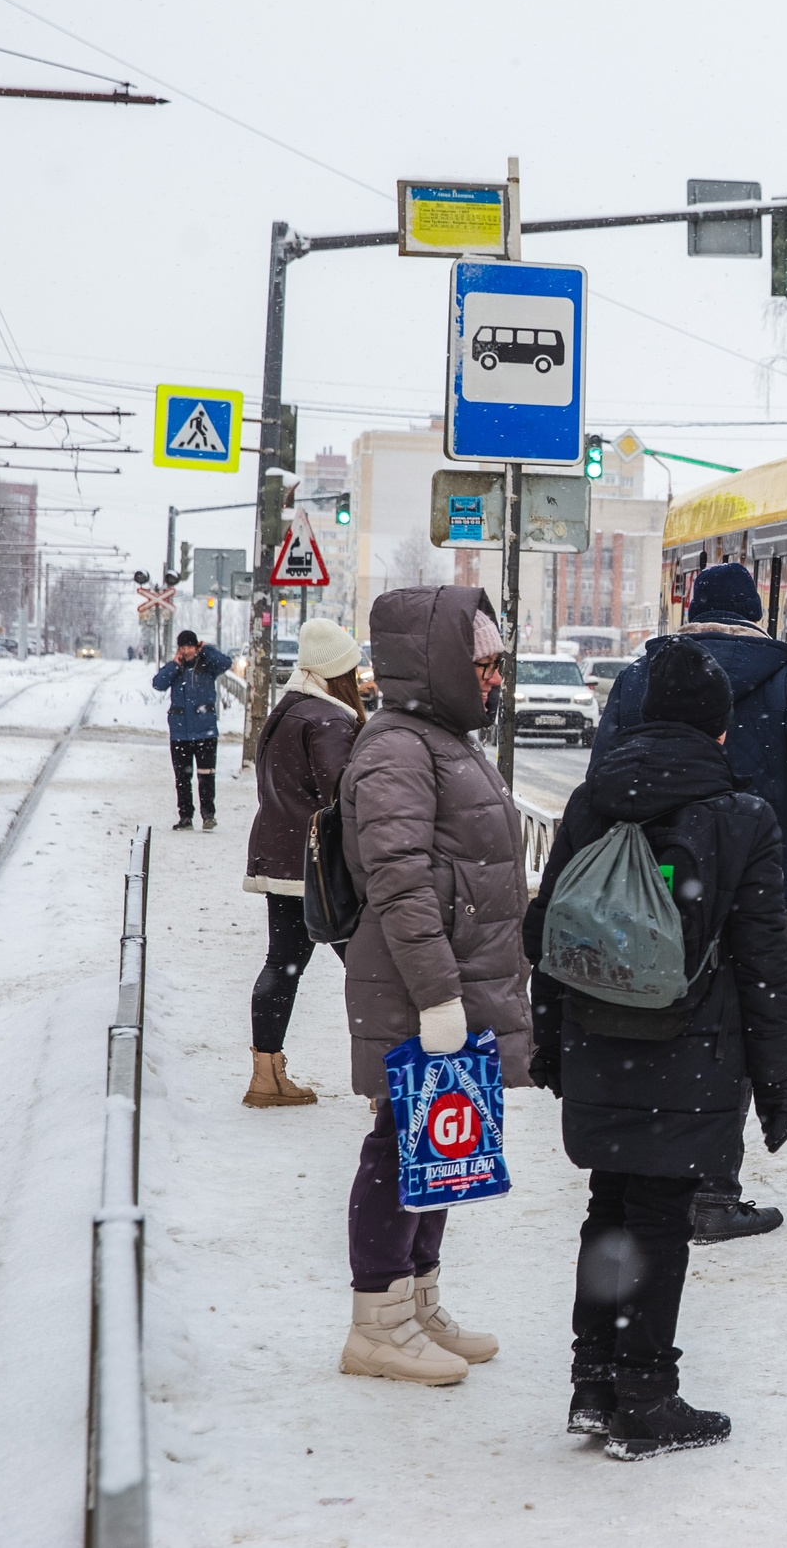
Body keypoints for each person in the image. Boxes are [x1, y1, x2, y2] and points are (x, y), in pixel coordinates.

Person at [525, 646, 787, 1459]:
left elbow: (550, 931)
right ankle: (646, 1395)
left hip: (598, 1034)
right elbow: (762, 966)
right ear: (720, 727)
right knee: (660, 1216)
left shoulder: (591, 800)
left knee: (610, 1205)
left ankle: (593, 1383)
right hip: (692, 1045)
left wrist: (549, 1042)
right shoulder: (742, 818)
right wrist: (774, 1084)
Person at [593, 562, 787, 1244]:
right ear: (755, 612)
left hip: (649, 881)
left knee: (648, 1006)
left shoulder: (641, 676)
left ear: (692, 608)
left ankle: (644, 1167)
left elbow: (602, 774)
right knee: (735, 1019)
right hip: (754, 874)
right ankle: (711, 1186)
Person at [335, 587, 531, 1387]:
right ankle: (375, 1320)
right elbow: (400, 880)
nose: (493, 679)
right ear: (440, 661)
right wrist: (440, 994)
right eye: (481, 663)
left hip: (447, 985)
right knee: (399, 1142)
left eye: (494, 664)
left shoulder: (439, 738)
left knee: (436, 1143)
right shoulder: (396, 748)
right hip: (418, 989)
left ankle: (417, 1300)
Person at [239, 619, 365, 1108]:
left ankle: (266, 1076)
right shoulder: (330, 720)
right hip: (323, 867)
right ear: (339, 672)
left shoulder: (287, 711)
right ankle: (388, 1084)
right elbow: (345, 797)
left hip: (284, 855)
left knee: (282, 963)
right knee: (371, 970)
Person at [152, 630, 234, 831]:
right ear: (179, 649)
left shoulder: (207, 665)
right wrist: (174, 665)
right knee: (182, 778)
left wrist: (205, 650)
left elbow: (226, 663)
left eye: (190, 646)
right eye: (183, 647)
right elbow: (158, 683)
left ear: (196, 646)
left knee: (206, 775)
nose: (187, 651)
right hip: (180, 733)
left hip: (205, 731)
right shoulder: (176, 669)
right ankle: (185, 817)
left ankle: (208, 815)